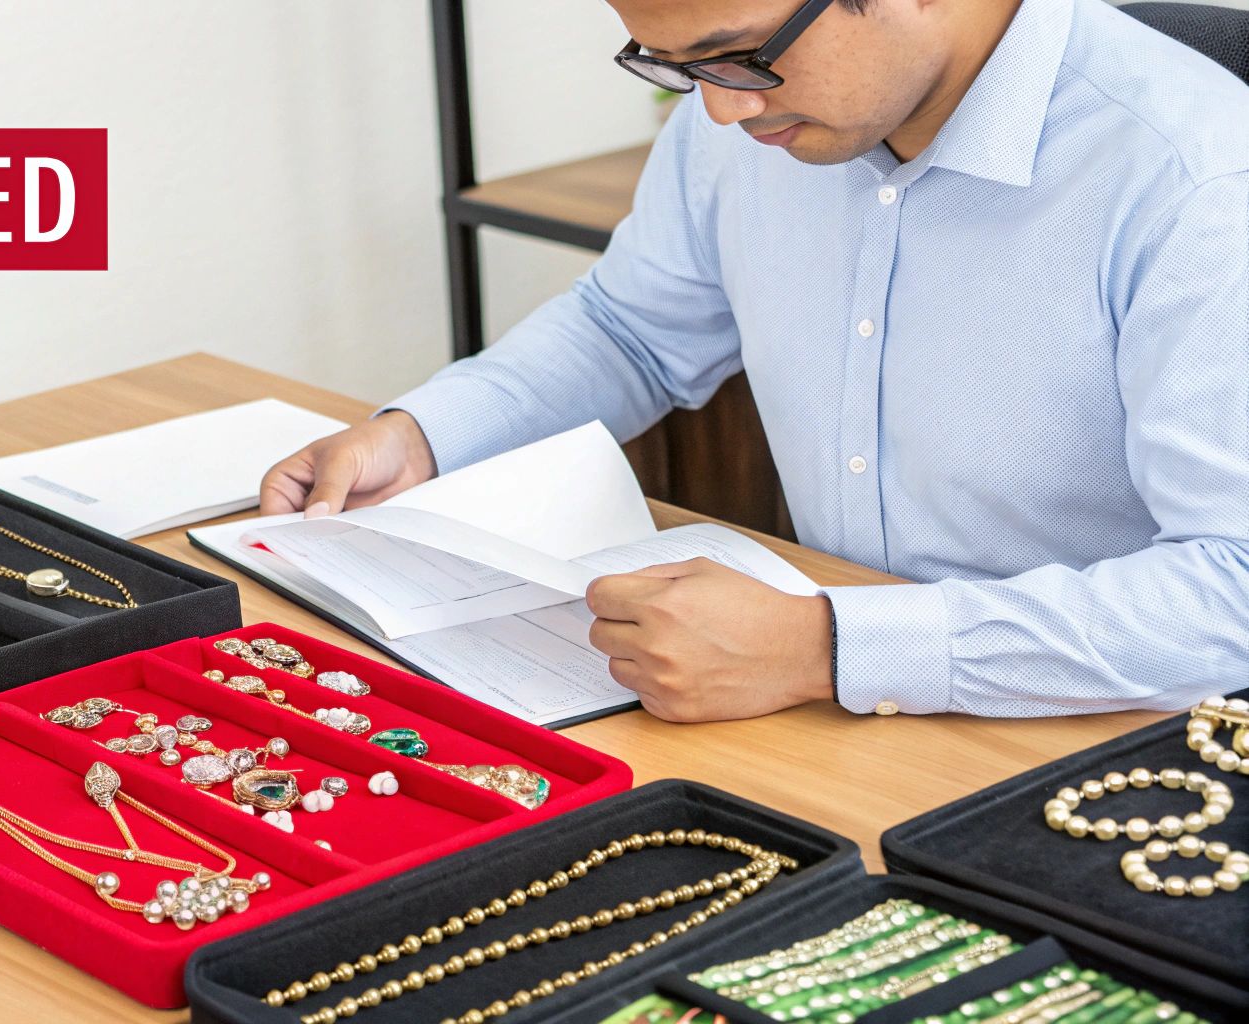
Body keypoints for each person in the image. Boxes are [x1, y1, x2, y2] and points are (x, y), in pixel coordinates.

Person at [260, 0, 1249, 722]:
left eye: (734, 56)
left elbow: (1231, 588)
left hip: (1109, 738)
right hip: (813, 702)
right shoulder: (749, 118)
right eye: (675, 67)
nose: (721, 113)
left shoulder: (1196, 178)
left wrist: (826, 646)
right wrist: (425, 433)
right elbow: (631, 329)